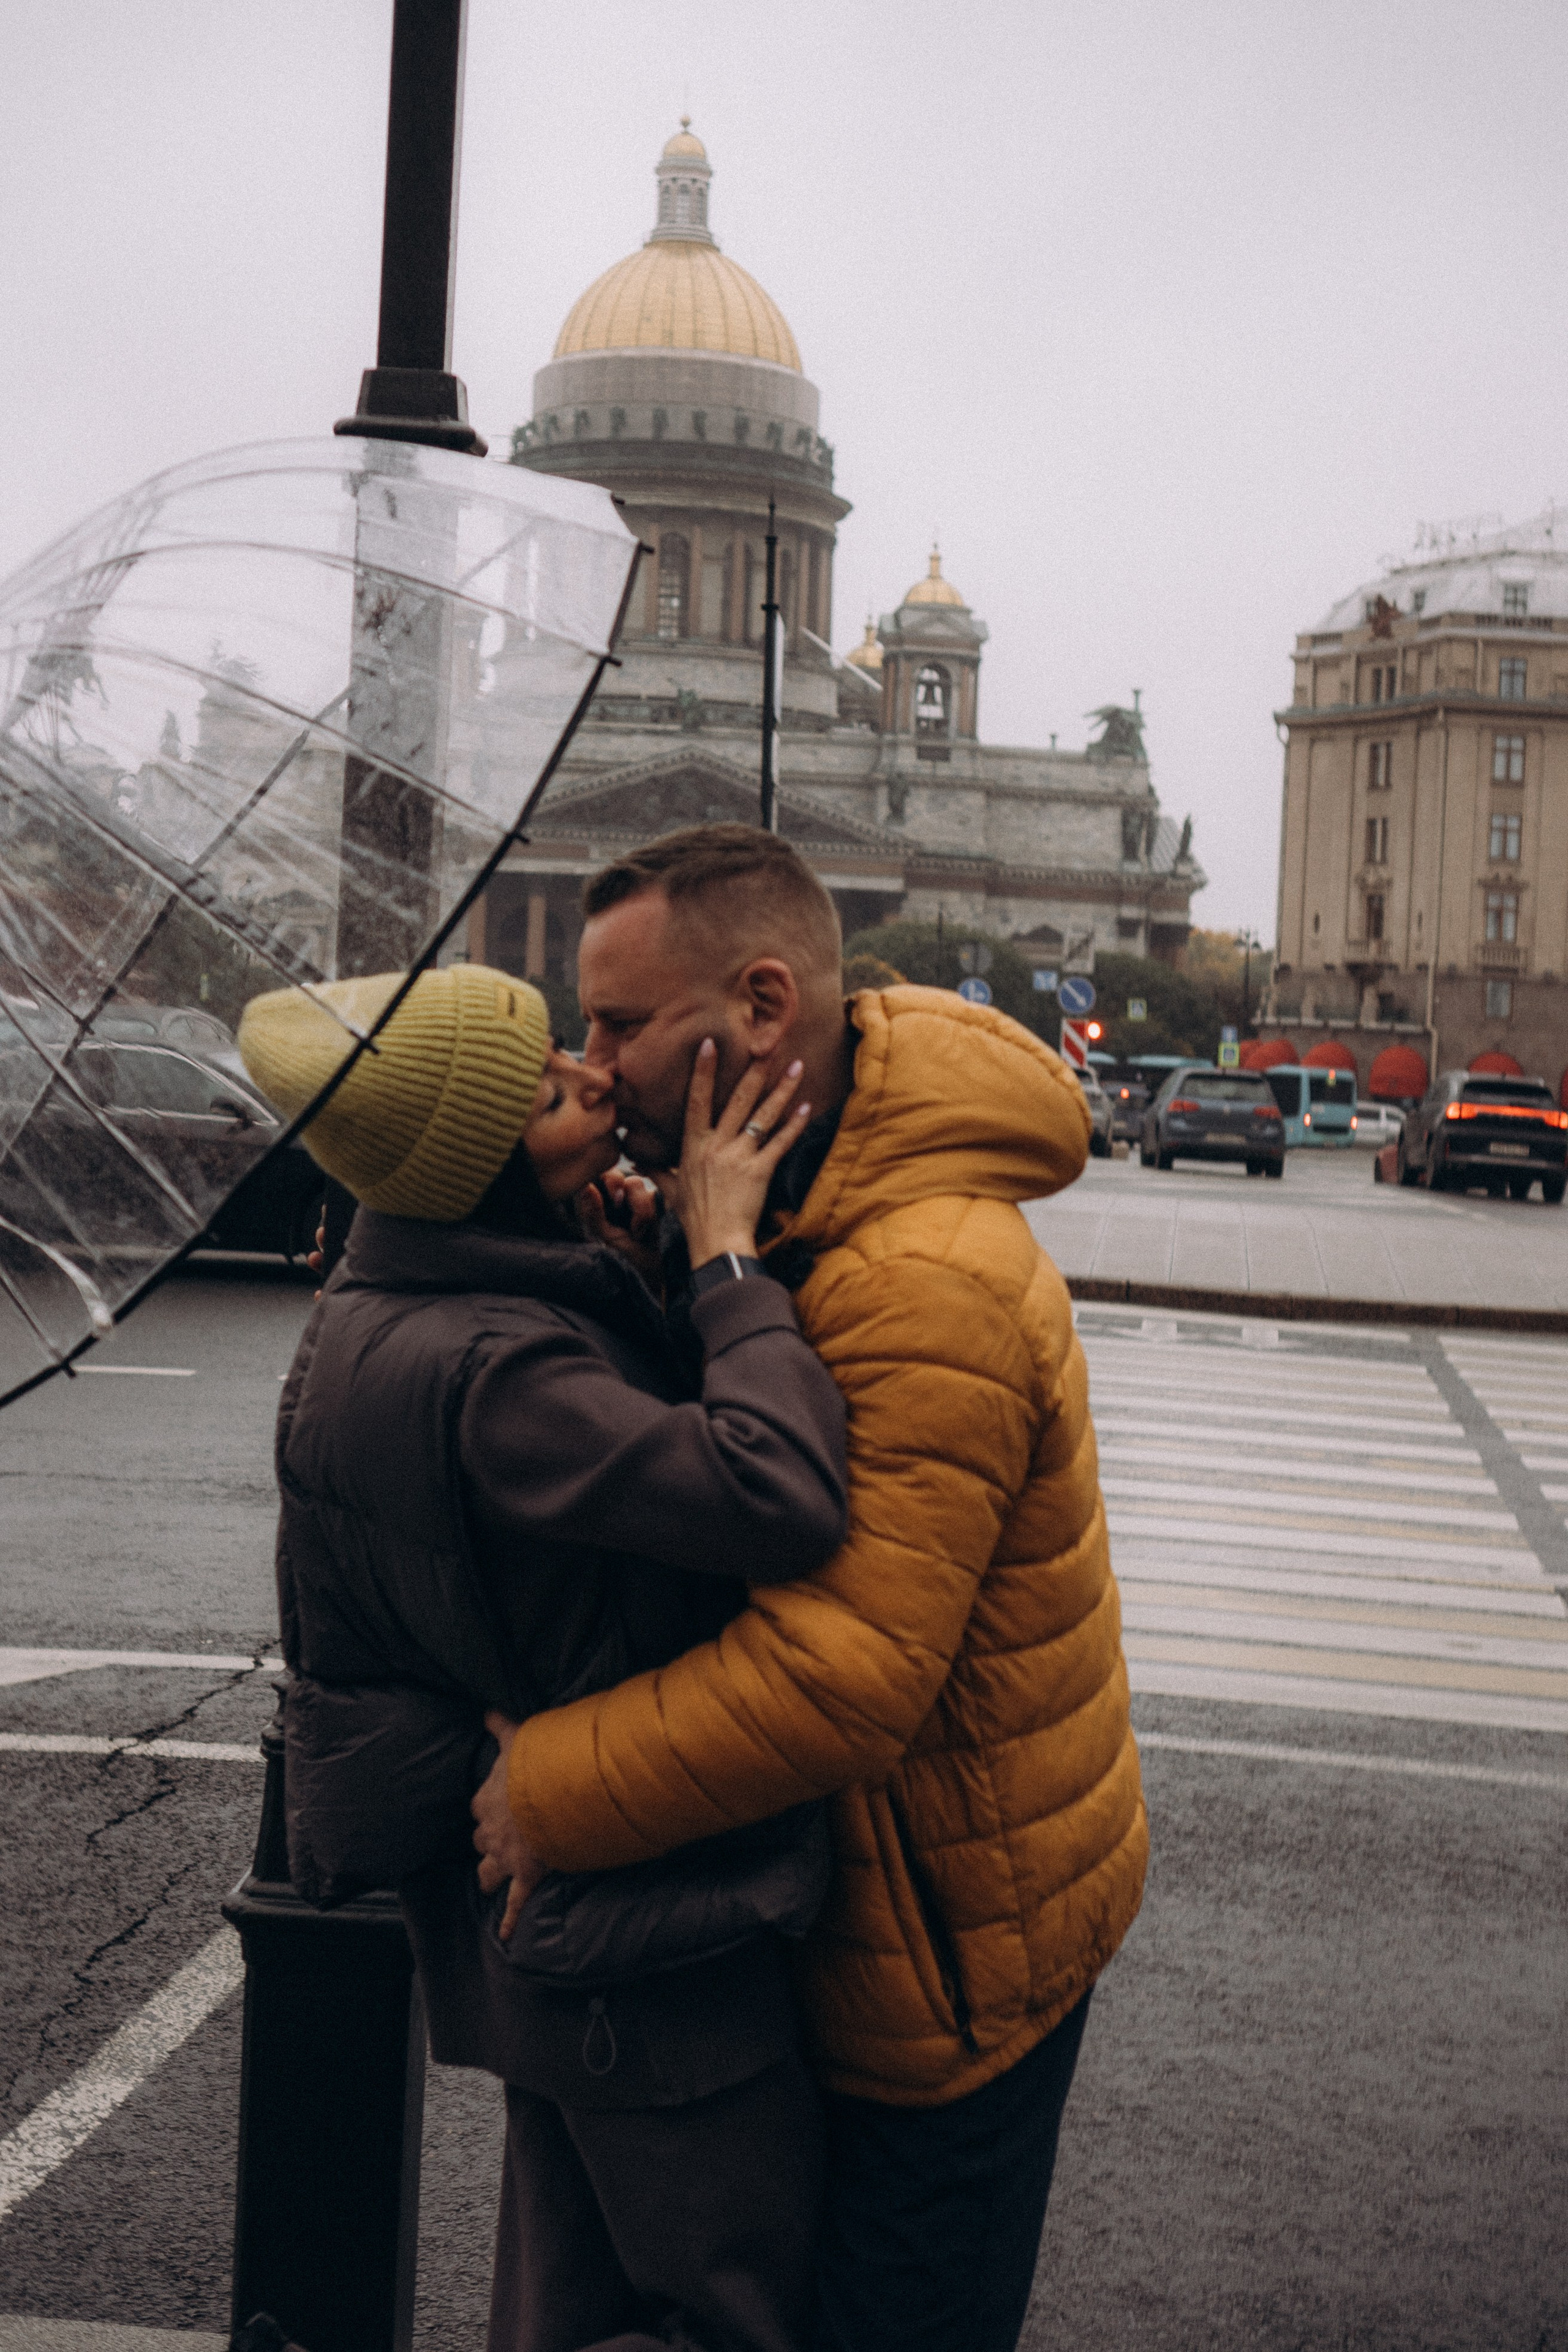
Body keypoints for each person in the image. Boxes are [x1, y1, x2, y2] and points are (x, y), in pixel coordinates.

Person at [471, 827, 1149, 2352]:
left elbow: (839, 1672)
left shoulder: (926, 1277)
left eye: (621, 1027)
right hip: (870, 1909)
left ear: (762, 1006)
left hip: (951, 1967)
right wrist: (680, 1263)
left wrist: (547, 1794)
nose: (593, 1066)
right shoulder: (795, 1194)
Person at [237, 960, 852, 2352]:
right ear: (474, 1167)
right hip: (639, 1937)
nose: (591, 1075)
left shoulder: (386, 1312)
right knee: (728, 2320)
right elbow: (778, 1496)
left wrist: (611, 1268)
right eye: (541, 1086)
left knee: (568, 2309)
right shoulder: (500, 1372)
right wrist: (725, 1263)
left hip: (550, 1936)